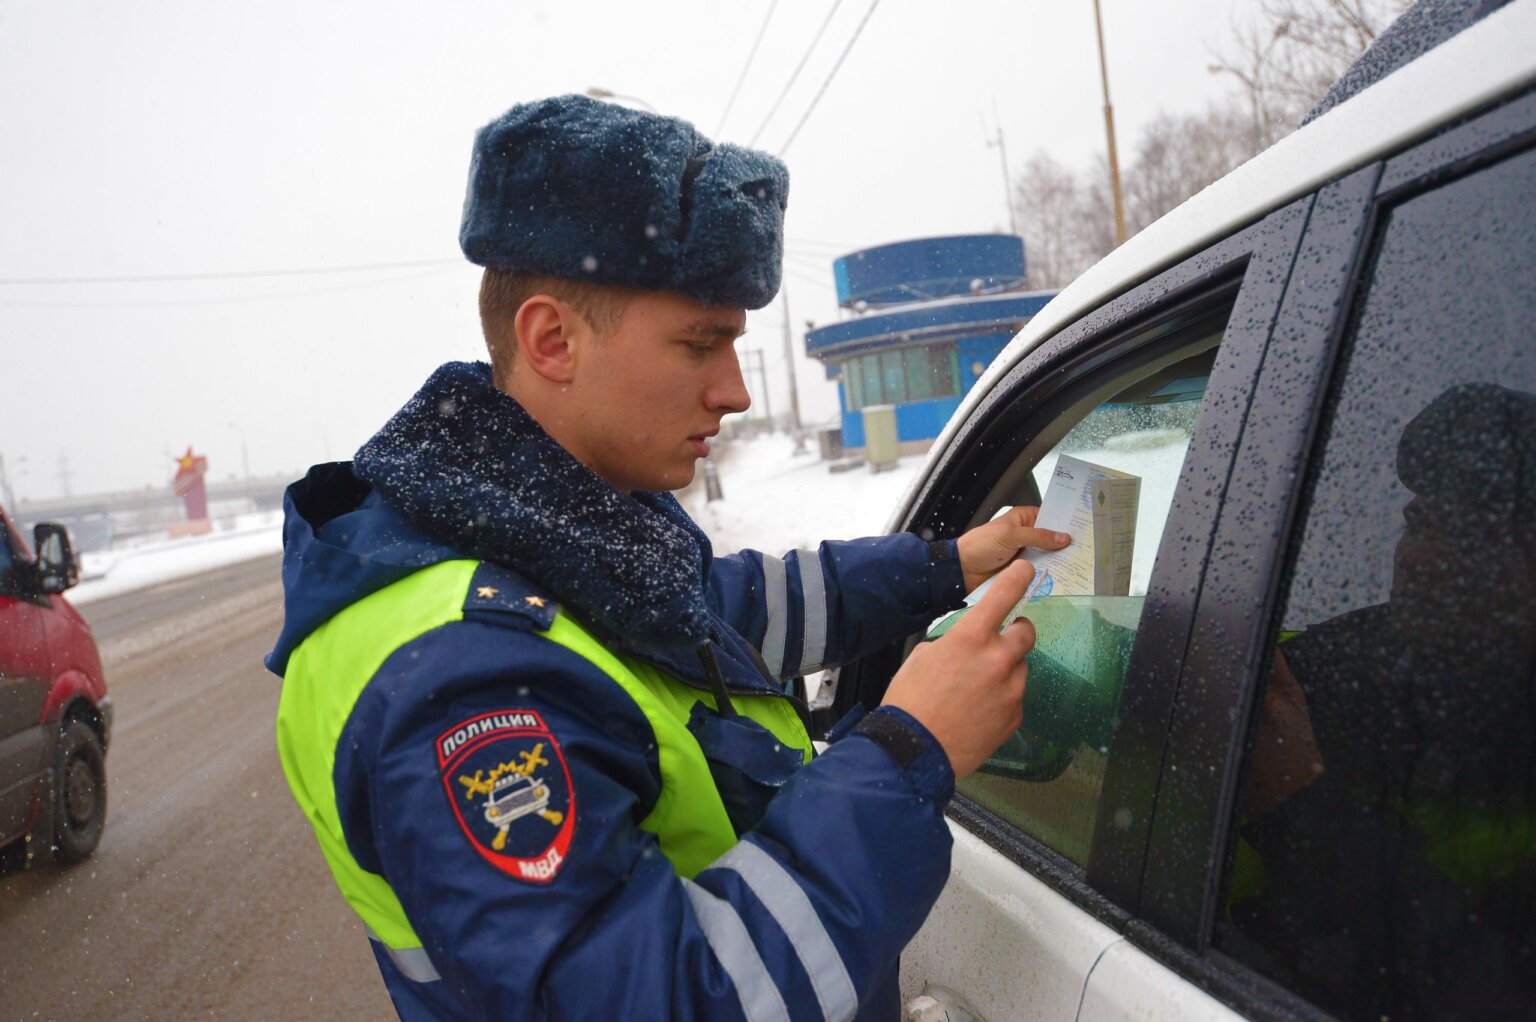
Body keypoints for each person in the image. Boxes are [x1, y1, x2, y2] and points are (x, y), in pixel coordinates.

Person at [268, 94, 1068, 1022]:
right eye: (701, 343)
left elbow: (724, 611)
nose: (733, 390)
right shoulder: (466, 683)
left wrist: (943, 567)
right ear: (551, 341)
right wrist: (905, 752)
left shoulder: (548, 540)